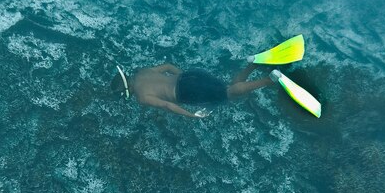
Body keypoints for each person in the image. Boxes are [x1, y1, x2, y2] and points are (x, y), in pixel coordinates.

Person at [110, 63, 274, 118]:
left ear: (127, 89)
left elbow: (167, 105)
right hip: (189, 76)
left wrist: (191, 115)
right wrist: (184, 78)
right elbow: (168, 66)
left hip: (185, 92)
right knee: (225, 87)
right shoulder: (142, 72)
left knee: (228, 93)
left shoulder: (141, 97)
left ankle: (269, 80)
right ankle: (253, 63)